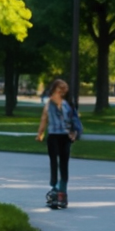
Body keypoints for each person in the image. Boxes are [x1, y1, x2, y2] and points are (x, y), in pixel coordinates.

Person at [36, 78, 82, 209]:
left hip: (64, 137)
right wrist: (40, 133)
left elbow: (73, 120)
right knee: (55, 163)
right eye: (59, 89)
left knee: (62, 163)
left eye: (64, 89)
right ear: (54, 90)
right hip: (54, 137)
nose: (61, 91)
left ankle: (61, 191)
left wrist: (74, 133)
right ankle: (56, 189)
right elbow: (44, 118)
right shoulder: (50, 104)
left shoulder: (67, 105)